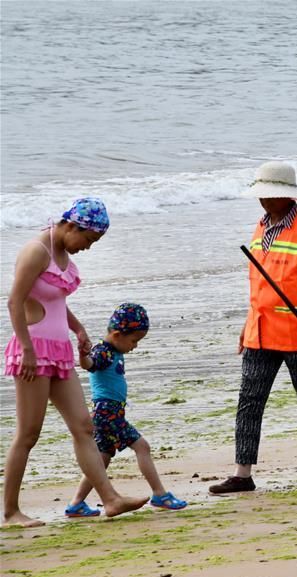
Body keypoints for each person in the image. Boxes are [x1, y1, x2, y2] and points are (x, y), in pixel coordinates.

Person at [3, 198, 148, 527]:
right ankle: (10, 512)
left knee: (84, 426)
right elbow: (14, 301)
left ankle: (110, 500)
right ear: (72, 226)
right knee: (28, 434)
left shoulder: (62, 252)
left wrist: (78, 327)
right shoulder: (36, 251)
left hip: (59, 351)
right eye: (89, 240)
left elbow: (54, 300)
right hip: (33, 351)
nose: (88, 248)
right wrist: (26, 348)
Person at [209, 161, 297, 494]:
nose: (265, 201)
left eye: (271, 195)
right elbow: (258, 285)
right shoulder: (260, 227)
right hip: (260, 330)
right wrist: (246, 326)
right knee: (249, 400)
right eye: (262, 195)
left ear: (287, 196)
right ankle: (242, 474)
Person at [65, 303, 187, 517]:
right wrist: (83, 354)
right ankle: (160, 494)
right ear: (118, 334)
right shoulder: (104, 351)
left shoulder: (114, 350)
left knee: (101, 460)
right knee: (142, 447)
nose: (135, 346)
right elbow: (89, 364)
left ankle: (76, 503)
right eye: (134, 341)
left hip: (110, 413)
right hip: (108, 413)